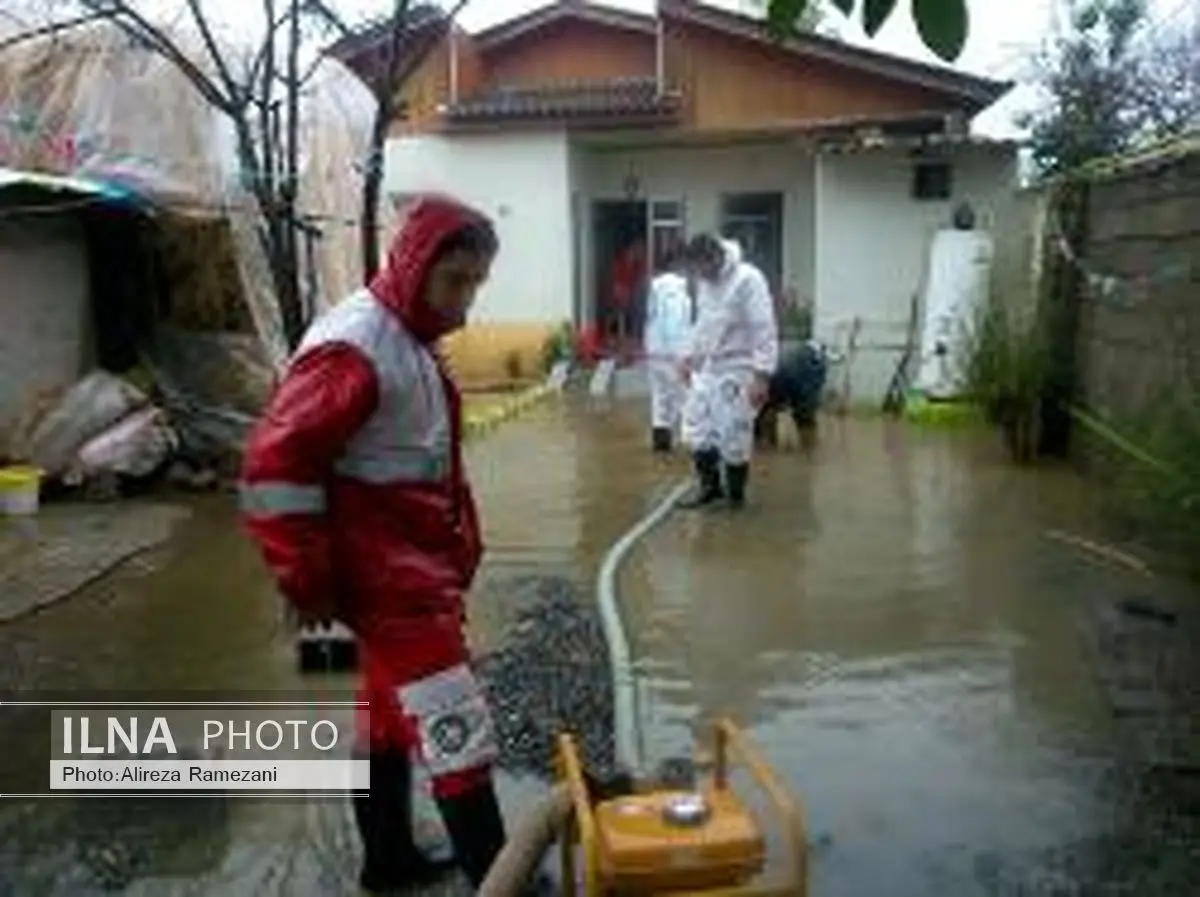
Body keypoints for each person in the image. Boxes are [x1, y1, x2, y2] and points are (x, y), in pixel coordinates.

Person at [238, 194, 517, 894]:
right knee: (459, 732)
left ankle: (387, 861)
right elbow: (274, 469)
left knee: (384, 722)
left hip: (398, 575)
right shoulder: (358, 346)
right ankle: (500, 883)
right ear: (417, 263)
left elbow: (424, 465)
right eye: (455, 282)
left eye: (475, 286)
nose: (464, 306)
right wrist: (305, 582)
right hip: (389, 585)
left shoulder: (406, 339)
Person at [677, 233, 778, 509]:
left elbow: (763, 328)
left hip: (738, 366)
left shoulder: (748, 279)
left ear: (715, 258)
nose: (699, 276)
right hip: (708, 365)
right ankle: (709, 489)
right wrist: (687, 356)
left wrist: (762, 375)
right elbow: (702, 323)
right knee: (697, 428)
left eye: (702, 269)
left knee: (733, 432)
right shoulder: (704, 283)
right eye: (694, 271)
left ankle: (735, 498)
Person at [642, 246, 694, 453]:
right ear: (680, 265)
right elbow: (672, 324)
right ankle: (690, 444)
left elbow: (651, 318)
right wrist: (681, 356)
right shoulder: (675, 288)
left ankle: (661, 442)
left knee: (660, 396)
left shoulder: (655, 287)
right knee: (687, 396)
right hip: (672, 353)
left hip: (655, 351)